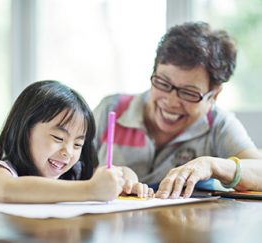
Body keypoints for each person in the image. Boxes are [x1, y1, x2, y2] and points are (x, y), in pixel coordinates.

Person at [93, 21, 262, 199]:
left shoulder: (218, 124)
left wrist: (211, 165)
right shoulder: (111, 110)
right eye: (163, 83)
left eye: (189, 93)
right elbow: (68, 171)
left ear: (214, 95)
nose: (171, 101)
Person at [0, 80, 153, 203]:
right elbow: (8, 190)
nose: (68, 152)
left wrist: (127, 182)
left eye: (77, 144)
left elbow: (122, 171)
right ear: (24, 130)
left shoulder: (74, 173)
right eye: (58, 138)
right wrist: (90, 189)